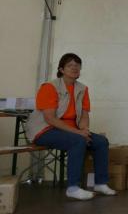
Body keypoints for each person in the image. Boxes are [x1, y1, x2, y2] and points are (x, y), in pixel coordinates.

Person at [26, 53, 117, 200]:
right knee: (77, 141)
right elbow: (50, 118)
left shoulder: (83, 89)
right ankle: (73, 188)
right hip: (44, 130)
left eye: (77, 65)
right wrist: (78, 133)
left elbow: (84, 115)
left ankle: (100, 183)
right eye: (70, 65)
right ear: (61, 69)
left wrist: (84, 130)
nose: (74, 68)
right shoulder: (49, 87)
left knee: (101, 141)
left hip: (70, 131)